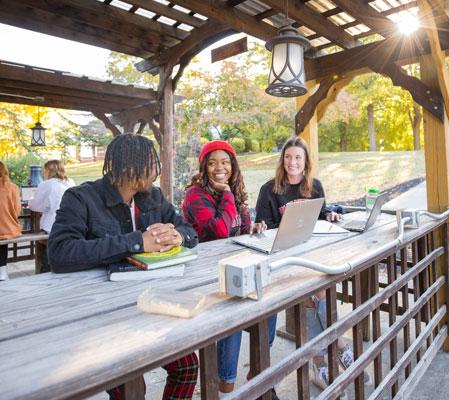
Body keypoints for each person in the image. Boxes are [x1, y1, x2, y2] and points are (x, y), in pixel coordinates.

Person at [48, 134, 199, 400]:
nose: (156, 171)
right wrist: (136, 242)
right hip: (104, 315)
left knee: (187, 366)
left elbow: (188, 230)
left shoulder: (152, 197)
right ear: (132, 167)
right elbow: (60, 253)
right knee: (132, 388)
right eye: (152, 164)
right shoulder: (81, 198)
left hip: (150, 304)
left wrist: (178, 235)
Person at [255, 136, 358, 392]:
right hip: (283, 257)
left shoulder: (315, 186)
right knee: (318, 290)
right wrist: (260, 227)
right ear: (282, 160)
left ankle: (319, 361)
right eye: (288, 157)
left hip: (312, 253)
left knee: (314, 296)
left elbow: (322, 216)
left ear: (305, 161)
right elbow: (261, 225)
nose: (292, 162)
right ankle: (340, 344)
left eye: (298, 157)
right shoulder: (269, 190)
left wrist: (331, 214)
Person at [181, 140, 278, 399]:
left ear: (233, 166)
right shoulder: (195, 194)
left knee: (269, 304)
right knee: (231, 319)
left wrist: (253, 228)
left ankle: (257, 375)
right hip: (205, 275)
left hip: (235, 266)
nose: (219, 168)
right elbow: (220, 232)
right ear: (204, 167)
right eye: (212, 163)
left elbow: (240, 228)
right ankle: (225, 390)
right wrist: (225, 193)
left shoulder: (235, 192)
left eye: (225, 162)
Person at [28, 160, 75, 272]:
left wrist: (29, 203)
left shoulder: (46, 184)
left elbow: (36, 206)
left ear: (48, 170)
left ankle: (45, 269)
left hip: (51, 227)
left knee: (44, 243)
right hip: (70, 225)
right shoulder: (70, 182)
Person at [0, 161, 22, 281]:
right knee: (4, 232)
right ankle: (2, 272)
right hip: (8, 229)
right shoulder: (12, 187)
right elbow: (17, 210)